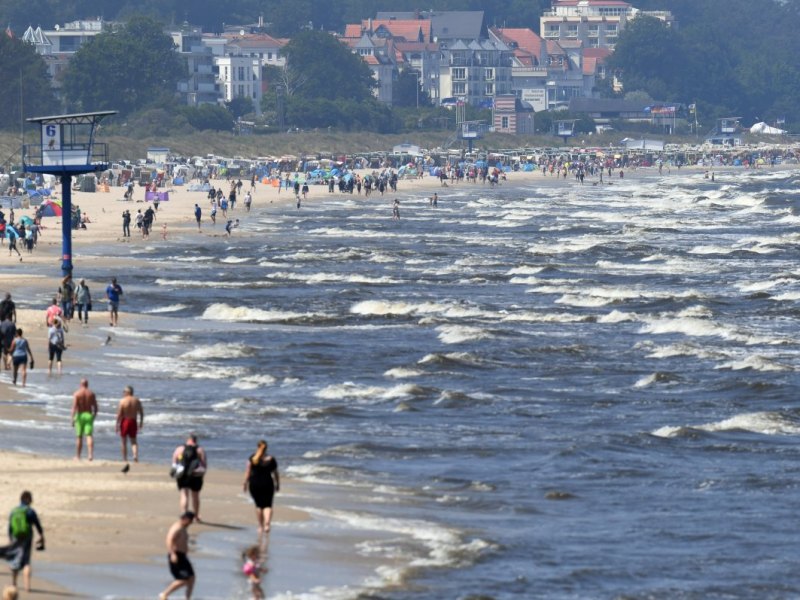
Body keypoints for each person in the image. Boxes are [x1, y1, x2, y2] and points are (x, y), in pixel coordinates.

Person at [5, 491, 44, 593]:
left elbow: (9, 527)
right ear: (28, 500)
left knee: (15, 559)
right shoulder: (30, 511)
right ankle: (27, 587)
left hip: (15, 537)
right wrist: (41, 535)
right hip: (27, 537)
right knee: (26, 561)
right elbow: (37, 524)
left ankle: (14, 583)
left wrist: (10, 539)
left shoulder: (14, 511)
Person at [242, 440, 280, 538]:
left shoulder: (252, 458)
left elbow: (248, 472)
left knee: (259, 506)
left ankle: (260, 526)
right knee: (268, 505)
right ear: (266, 448)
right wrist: (277, 484)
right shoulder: (271, 459)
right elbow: (275, 473)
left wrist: (245, 483)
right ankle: (267, 523)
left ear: (257, 447)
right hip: (268, 483)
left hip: (254, 483)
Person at [160, 511, 195, 600]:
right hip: (177, 556)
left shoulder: (183, 527)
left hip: (183, 557)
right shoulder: (177, 528)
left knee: (191, 578)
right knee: (183, 580)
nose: (191, 523)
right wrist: (172, 554)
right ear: (185, 519)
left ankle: (187, 598)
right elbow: (169, 540)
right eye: (190, 521)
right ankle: (164, 594)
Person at [172, 435, 207, 521]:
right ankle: (196, 516)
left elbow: (174, 463)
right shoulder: (200, 450)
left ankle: (184, 515)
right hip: (195, 475)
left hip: (182, 475)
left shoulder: (179, 449)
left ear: (188, 440)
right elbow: (204, 465)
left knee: (184, 495)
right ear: (196, 440)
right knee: (195, 496)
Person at [116, 385, 144, 471]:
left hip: (125, 421)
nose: (123, 393)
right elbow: (141, 413)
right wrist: (141, 423)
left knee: (124, 441)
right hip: (133, 421)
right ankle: (135, 456)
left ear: (128, 392)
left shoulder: (123, 401)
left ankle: (125, 459)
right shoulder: (137, 401)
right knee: (134, 441)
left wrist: (117, 424)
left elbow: (119, 414)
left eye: (124, 392)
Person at [71, 379, 98, 461]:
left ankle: (78, 456)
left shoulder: (77, 393)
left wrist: (72, 418)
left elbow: (74, 407)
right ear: (87, 384)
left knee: (79, 436)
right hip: (88, 415)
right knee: (89, 435)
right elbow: (96, 407)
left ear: (80, 384)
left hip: (80, 415)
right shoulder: (91, 393)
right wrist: (93, 416)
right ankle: (90, 455)